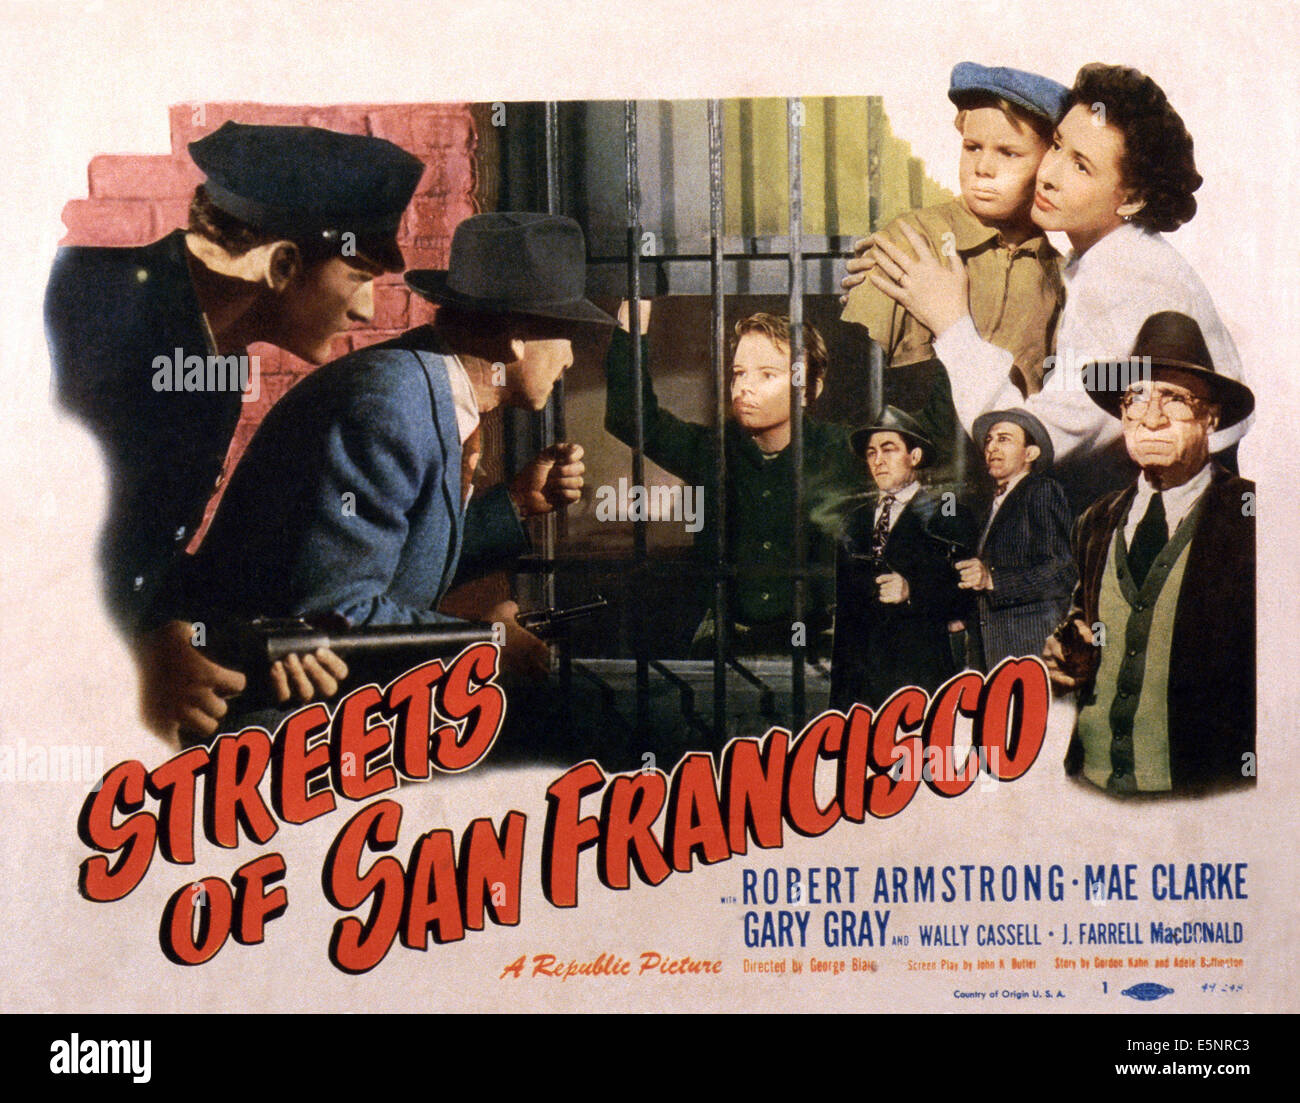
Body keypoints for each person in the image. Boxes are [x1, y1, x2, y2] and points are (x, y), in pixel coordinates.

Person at [45, 120, 425, 741]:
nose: (366, 312)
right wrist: (120, 666)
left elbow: (138, 560)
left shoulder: (215, 358)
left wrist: (264, 632)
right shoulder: (74, 315)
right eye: (359, 278)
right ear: (281, 265)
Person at [173, 212, 610, 740]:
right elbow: (338, 615)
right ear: (516, 337)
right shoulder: (391, 408)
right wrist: (487, 642)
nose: (568, 360)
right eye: (565, 336)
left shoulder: (417, 384)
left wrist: (514, 505)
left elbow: (389, 560)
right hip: (267, 730)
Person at [855, 64, 1252, 510]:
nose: (1049, 174)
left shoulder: (1126, 280)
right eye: (1058, 146)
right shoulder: (1109, 257)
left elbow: (1025, 441)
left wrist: (951, 322)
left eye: (1081, 166)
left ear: (1133, 199)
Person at [1043, 312, 1255, 796]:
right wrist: (1070, 654)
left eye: (1174, 399)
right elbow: (1087, 622)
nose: (1150, 417)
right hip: (1090, 789)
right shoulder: (1094, 521)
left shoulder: (1254, 519)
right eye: (1135, 398)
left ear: (1211, 416)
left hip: (1201, 800)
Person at [604, 303, 870, 657]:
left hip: (820, 646)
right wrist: (630, 329)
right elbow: (628, 418)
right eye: (738, 373)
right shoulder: (712, 450)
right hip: (724, 646)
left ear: (809, 390)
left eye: (766, 375)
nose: (744, 387)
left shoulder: (845, 451)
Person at [842, 62, 1068, 402]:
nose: (983, 168)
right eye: (972, 147)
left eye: (1009, 153)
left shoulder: (1060, 276)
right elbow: (852, 382)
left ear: (1049, 163)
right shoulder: (910, 240)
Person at [830, 407, 976, 710]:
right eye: (871, 453)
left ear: (916, 456)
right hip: (861, 688)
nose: (878, 460)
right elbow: (845, 617)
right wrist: (840, 702)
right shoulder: (854, 522)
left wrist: (913, 591)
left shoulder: (947, 516)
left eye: (889, 449)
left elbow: (967, 598)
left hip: (920, 681)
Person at [956, 409, 1074, 670]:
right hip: (992, 655)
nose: (991, 447)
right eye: (988, 440)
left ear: (1030, 454)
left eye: (1004, 439)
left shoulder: (1041, 490)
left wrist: (991, 579)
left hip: (1029, 653)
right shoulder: (991, 506)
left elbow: (1061, 572)